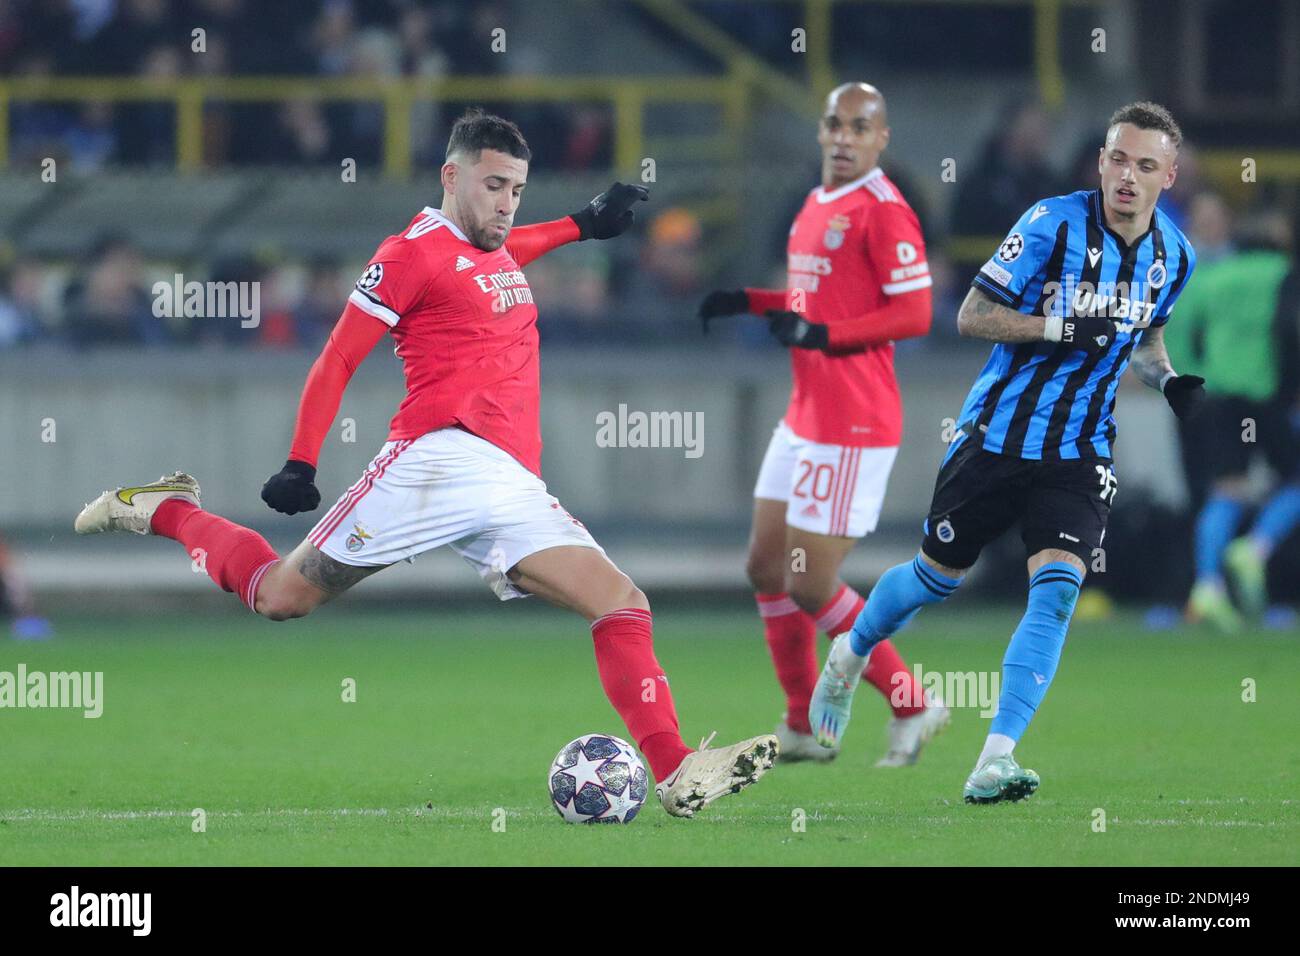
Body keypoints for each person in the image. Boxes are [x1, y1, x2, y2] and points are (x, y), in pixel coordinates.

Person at [75, 108, 777, 819]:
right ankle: (165, 508)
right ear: (452, 176)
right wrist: (300, 462)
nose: (506, 203)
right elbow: (338, 356)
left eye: (516, 189)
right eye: (494, 184)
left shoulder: (489, 247)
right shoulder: (410, 252)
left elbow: (510, 250)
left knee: (622, 602)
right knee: (279, 597)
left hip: (508, 482)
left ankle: (677, 769)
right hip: (434, 463)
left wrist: (581, 224)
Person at [809, 102, 1205, 803]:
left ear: (1168, 176)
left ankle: (994, 757)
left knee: (1055, 594)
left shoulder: (1176, 257)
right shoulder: (1050, 224)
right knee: (935, 579)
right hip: (996, 436)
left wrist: (1168, 382)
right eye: (1119, 159)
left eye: (1146, 166)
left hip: (1080, 450)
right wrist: (1059, 324)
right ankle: (851, 651)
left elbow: (1144, 341)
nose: (1128, 177)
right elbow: (969, 314)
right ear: (1102, 161)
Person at [698, 83, 948, 766]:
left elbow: (915, 313)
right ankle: (801, 725)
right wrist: (750, 300)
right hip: (806, 413)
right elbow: (813, 300)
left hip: (853, 420)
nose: (844, 137)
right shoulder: (815, 202)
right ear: (821, 131)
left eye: (859, 127)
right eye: (835, 125)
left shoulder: (885, 211)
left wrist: (824, 334)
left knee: (807, 579)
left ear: (881, 138)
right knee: (764, 566)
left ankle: (913, 701)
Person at [1171, 211, 1300, 629]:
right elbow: (1290, 329)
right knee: (1295, 478)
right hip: (1266, 394)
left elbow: (1185, 332)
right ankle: (1256, 548)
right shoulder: (1283, 274)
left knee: (1227, 487)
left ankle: (1207, 587)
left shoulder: (1215, 276)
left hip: (1218, 395)